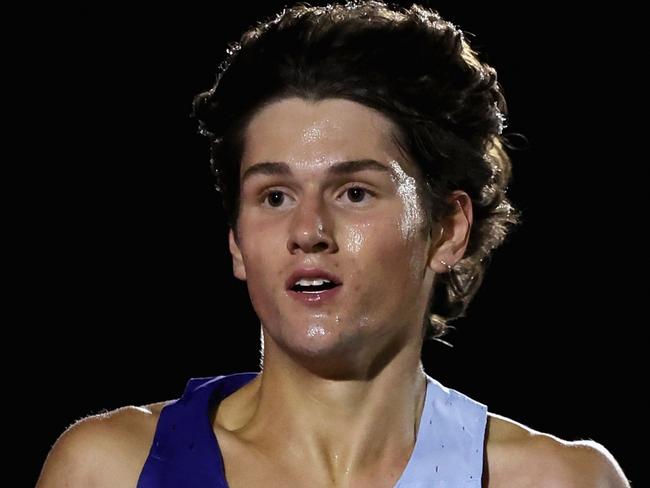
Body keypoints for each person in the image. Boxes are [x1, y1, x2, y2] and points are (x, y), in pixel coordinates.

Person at [36, 1, 631, 486]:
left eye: (353, 192)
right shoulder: (110, 470)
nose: (308, 232)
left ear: (448, 229)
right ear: (237, 243)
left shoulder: (555, 481)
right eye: (274, 196)